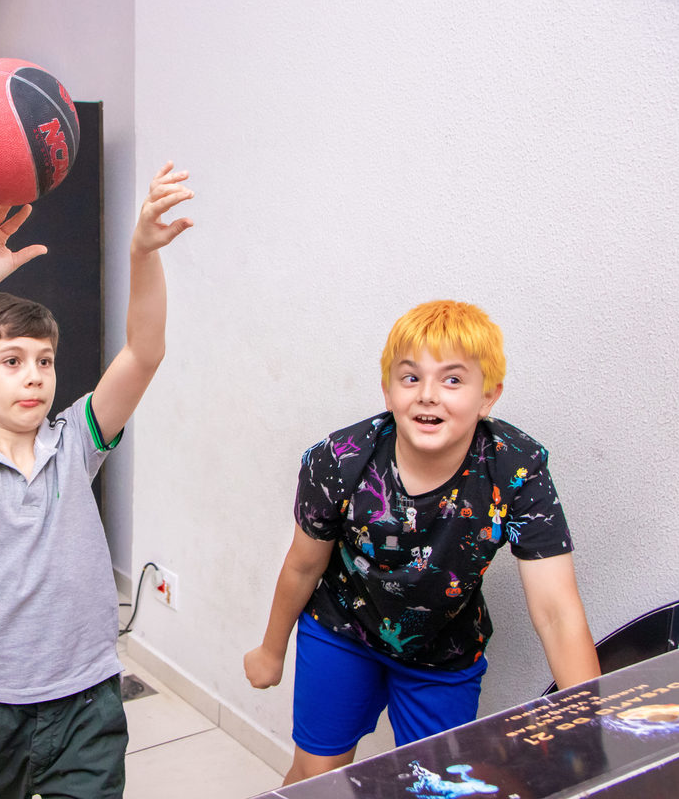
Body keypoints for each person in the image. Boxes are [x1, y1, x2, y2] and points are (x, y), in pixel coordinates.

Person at [244, 300, 599, 785]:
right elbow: (303, 566)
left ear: (487, 398)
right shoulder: (338, 460)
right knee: (315, 775)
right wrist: (271, 650)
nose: (428, 395)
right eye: (410, 378)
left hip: (444, 650)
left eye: (453, 380)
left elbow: (557, 610)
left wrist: (591, 725)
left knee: (435, 787)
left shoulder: (516, 468)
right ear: (388, 391)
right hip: (342, 630)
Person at [0, 163, 194, 798]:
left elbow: (145, 353)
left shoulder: (76, 440)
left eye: (44, 361)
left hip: (88, 701)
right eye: (11, 361)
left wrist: (142, 252)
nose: (35, 375)